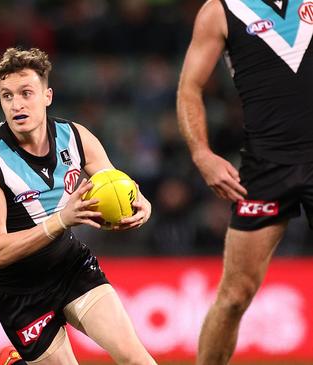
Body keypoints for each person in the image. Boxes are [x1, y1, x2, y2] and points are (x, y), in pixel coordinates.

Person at [0, 47, 156, 365]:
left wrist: (139, 201)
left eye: (26, 93)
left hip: (69, 266)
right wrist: (62, 220)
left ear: (47, 96)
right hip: (18, 290)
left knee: (139, 360)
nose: (17, 104)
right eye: (7, 96)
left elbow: (116, 182)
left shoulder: (76, 137)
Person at [176, 1, 313, 364]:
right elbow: (189, 87)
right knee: (235, 295)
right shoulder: (220, 10)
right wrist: (202, 155)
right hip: (265, 169)